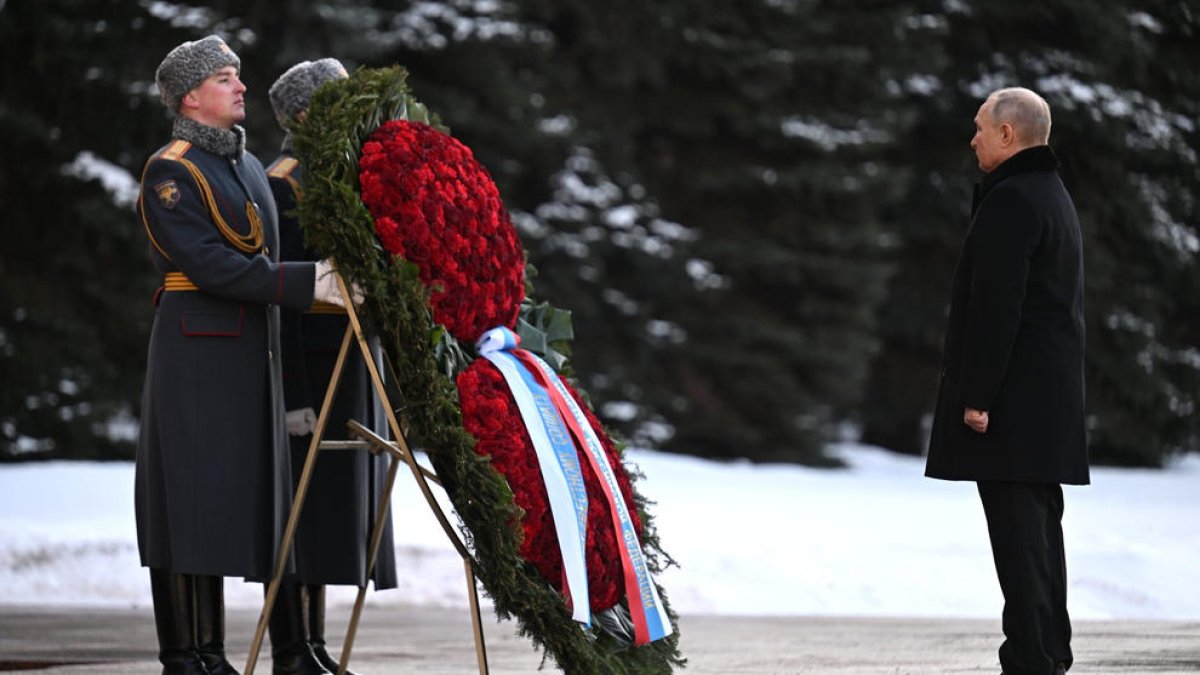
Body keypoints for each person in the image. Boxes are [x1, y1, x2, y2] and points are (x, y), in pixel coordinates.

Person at [135, 36, 347, 675]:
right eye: (225, 78)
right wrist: (309, 282)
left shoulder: (249, 168)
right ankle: (188, 656)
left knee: (245, 504)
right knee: (190, 503)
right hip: (197, 350)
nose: (240, 86)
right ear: (191, 97)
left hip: (252, 349)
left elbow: (256, 259)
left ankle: (236, 653)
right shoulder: (171, 170)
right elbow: (212, 265)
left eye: (236, 75)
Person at [925, 87, 1089, 675]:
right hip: (1046, 402)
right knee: (1041, 537)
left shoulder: (1013, 200)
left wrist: (977, 396)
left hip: (1012, 406)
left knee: (1020, 541)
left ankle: (1031, 660)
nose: (971, 138)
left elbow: (999, 308)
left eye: (978, 127)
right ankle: (1048, 651)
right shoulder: (1052, 195)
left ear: (1007, 134)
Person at [263, 59, 398, 675]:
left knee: (331, 512)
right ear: (303, 115)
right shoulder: (286, 182)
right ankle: (292, 649)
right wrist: (291, 393)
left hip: (349, 362)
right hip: (314, 367)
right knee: (302, 507)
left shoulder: (343, 174)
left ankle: (313, 645)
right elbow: (283, 300)